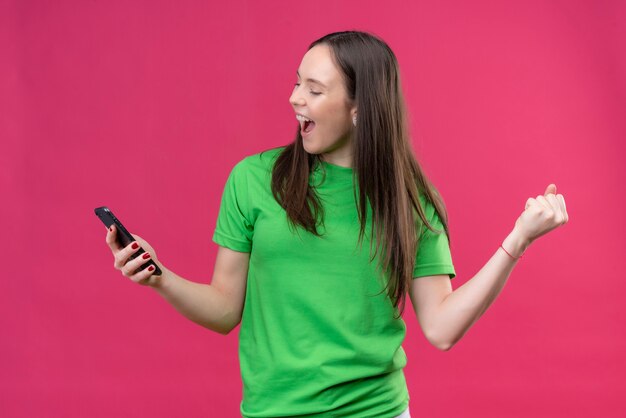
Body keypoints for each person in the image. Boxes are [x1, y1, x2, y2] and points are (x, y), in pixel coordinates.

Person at [104, 31, 569, 418]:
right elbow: (225, 309)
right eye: (297, 83)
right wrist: (158, 277)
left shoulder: (409, 203)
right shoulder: (253, 180)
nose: (294, 98)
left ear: (359, 107)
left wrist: (517, 240)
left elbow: (442, 328)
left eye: (314, 89)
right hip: (273, 411)